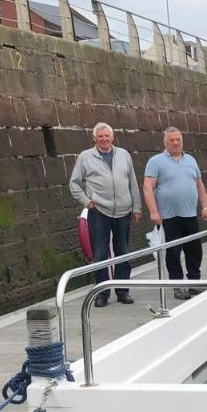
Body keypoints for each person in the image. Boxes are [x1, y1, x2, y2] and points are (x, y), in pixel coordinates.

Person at [69, 122, 141, 306]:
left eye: (107, 136)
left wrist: (137, 207)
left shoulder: (124, 155)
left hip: (124, 210)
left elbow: (132, 182)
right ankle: (102, 294)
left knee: (122, 252)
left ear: (112, 137)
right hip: (99, 211)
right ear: (95, 138)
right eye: (100, 136)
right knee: (100, 254)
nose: (104, 139)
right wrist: (87, 202)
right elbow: (74, 184)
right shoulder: (85, 157)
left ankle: (123, 291)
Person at [143, 127, 207, 298]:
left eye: (178, 140)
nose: (175, 143)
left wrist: (204, 207)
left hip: (190, 214)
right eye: (172, 140)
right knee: (173, 253)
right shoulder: (156, 161)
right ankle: (178, 285)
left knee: (194, 250)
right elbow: (148, 188)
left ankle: (194, 282)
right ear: (165, 142)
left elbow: (199, 185)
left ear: (182, 141)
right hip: (168, 216)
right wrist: (153, 212)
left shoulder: (191, 160)